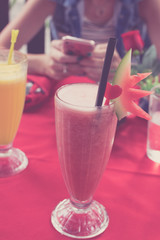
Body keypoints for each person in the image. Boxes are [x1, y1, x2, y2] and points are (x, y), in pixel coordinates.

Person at [0, 0, 159, 82]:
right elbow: (1, 51)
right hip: (66, 94)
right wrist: (44, 64)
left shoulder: (146, 4)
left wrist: (125, 72)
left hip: (121, 104)